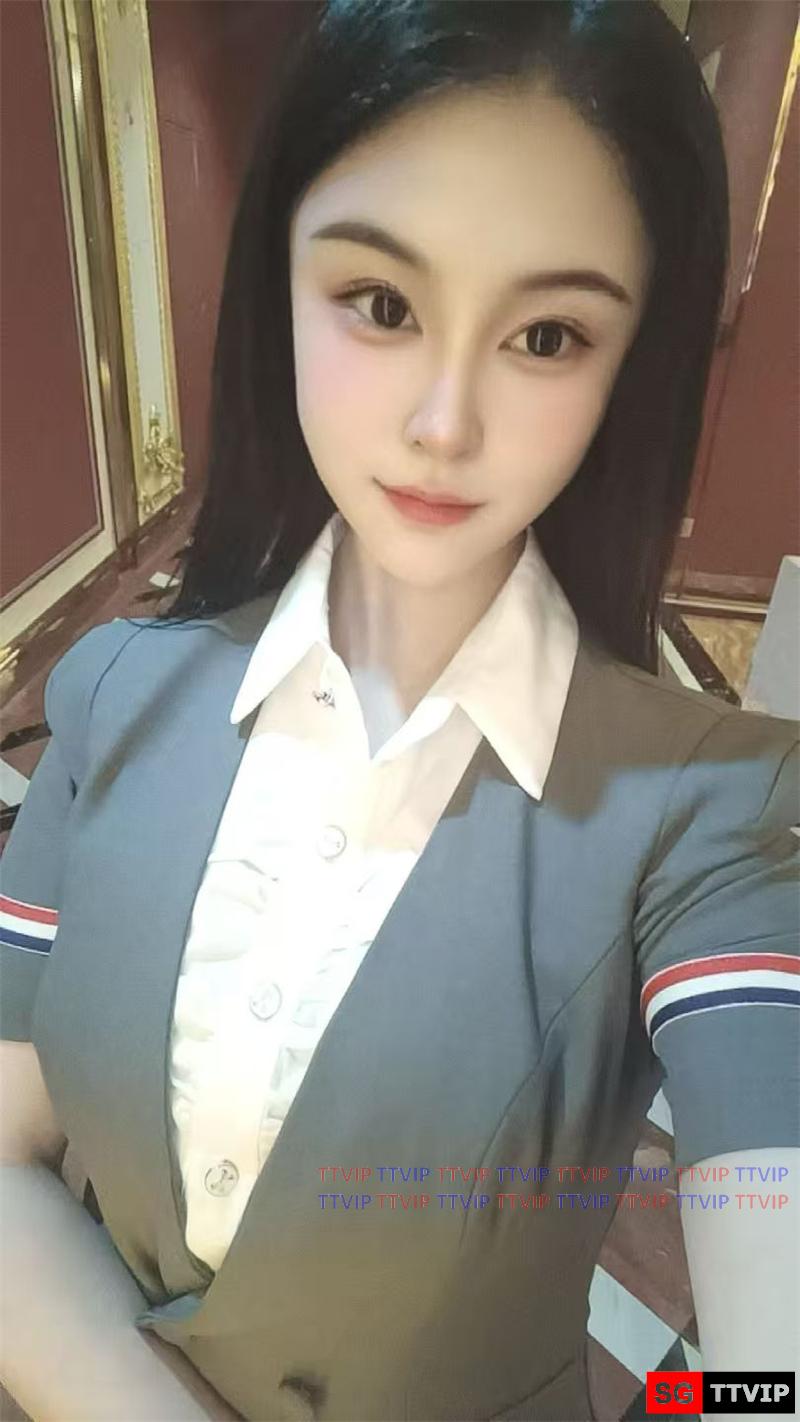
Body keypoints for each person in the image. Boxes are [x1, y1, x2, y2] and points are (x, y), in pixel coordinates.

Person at [1, 2, 798, 1419]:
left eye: (546, 334)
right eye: (381, 304)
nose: (444, 423)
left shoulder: (716, 818)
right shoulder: (114, 692)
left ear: (632, 365)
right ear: (279, 288)